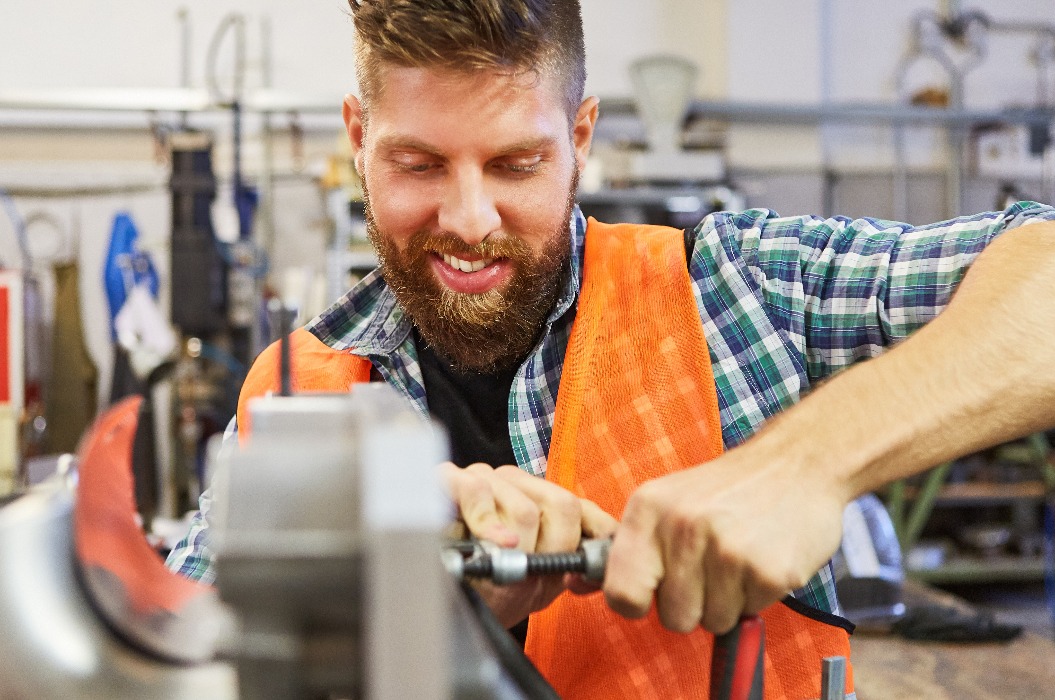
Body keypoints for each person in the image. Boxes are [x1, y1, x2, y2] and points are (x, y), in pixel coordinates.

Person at [166, 1, 1055, 697]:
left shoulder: (742, 292)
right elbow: (171, 654)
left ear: (580, 137)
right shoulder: (292, 392)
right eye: (419, 165)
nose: (469, 222)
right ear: (360, 141)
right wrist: (388, 617)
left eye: (516, 164)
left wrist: (804, 467)